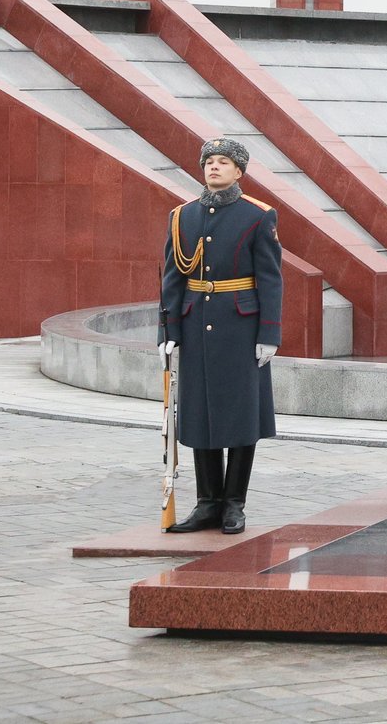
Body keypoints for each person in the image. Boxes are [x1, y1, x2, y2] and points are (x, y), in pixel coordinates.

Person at [160, 137, 282, 535]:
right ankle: (207, 503)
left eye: (223, 162)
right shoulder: (182, 217)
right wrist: (170, 330)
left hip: (240, 328)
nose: (214, 167)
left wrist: (269, 333)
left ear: (239, 171)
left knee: (240, 417)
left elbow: (269, 278)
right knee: (200, 416)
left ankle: (233, 503)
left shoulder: (257, 216)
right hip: (197, 328)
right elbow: (172, 279)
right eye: (209, 161)